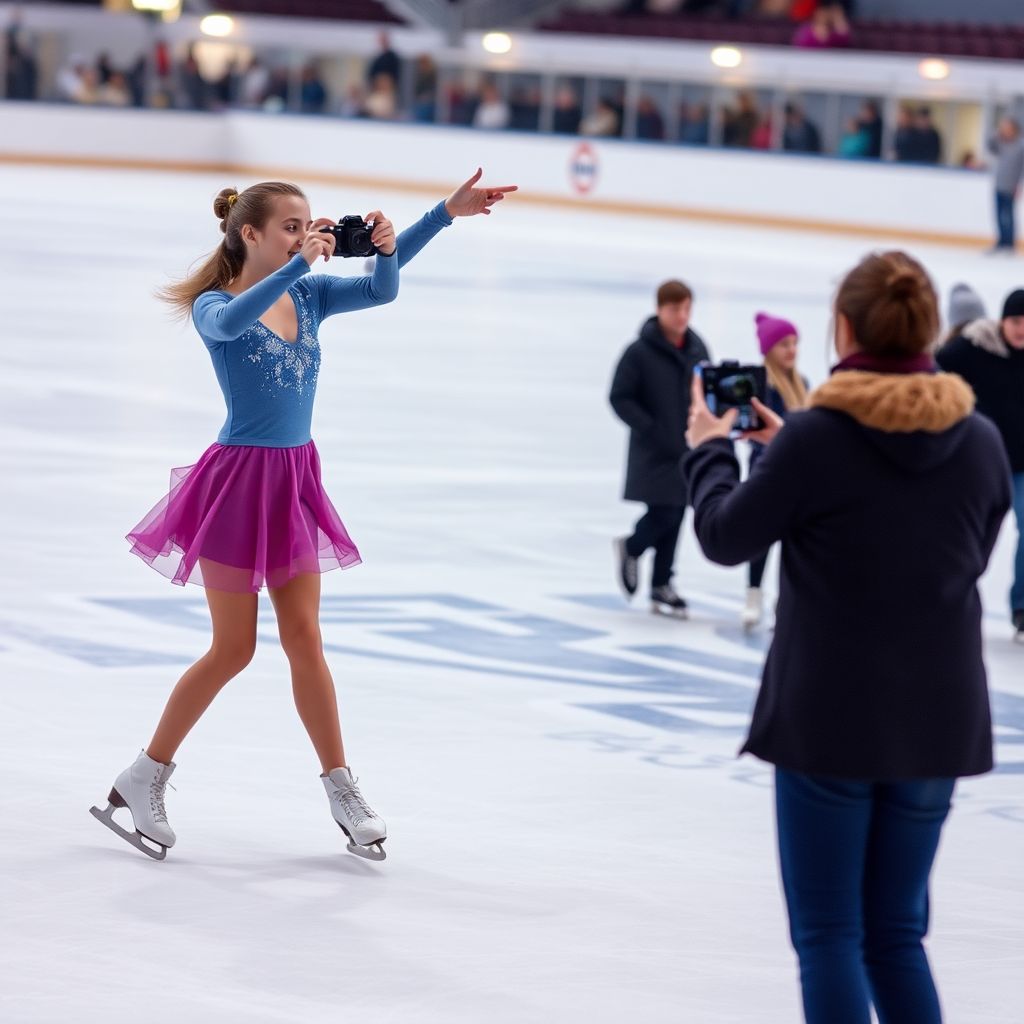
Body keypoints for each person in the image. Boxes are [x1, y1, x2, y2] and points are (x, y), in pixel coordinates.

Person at [90, 169, 518, 862]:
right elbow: (230, 322)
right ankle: (144, 776)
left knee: (306, 641)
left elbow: (383, 286)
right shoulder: (214, 304)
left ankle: (342, 788)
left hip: (292, 481)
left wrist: (430, 221)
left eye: (309, 224)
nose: (308, 234)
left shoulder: (310, 295)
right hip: (235, 485)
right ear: (250, 234)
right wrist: (296, 266)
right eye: (292, 226)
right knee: (233, 649)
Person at [683, 250, 1011, 1022]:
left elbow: (726, 537)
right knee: (897, 935)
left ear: (844, 328)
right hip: (938, 720)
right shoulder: (981, 441)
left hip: (833, 717)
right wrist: (791, 451)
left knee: (830, 935)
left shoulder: (819, 440)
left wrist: (709, 453)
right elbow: (950, 542)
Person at [610, 279, 711, 618]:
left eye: (686, 308)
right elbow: (619, 397)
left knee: (677, 513)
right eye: (674, 308)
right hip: (654, 450)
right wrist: (650, 427)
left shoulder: (698, 349)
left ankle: (662, 585)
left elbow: (706, 392)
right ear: (659, 309)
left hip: (686, 447)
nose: (681, 315)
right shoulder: (638, 352)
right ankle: (632, 546)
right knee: (665, 512)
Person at [937, 288, 1024, 641]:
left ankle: (1022, 608)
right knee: (966, 533)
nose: (1021, 330)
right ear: (1002, 321)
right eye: (1016, 321)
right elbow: (932, 372)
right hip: (979, 463)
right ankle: (948, 598)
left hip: (1021, 466)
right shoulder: (973, 349)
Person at [742, 313, 809, 630]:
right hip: (765, 469)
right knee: (761, 538)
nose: (792, 350)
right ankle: (753, 595)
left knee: (794, 540)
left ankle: (786, 599)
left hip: (798, 473)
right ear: (769, 349)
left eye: (795, 343)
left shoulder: (803, 385)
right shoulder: (762, 387)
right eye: (784, 344)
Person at [986, 117, 1024, 254]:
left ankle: (1009, 243)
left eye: (1007, 128)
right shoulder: (1001, 142)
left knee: (1008, 216)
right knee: (998, 215)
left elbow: (1022, 168)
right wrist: (997, 133)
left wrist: (1018, 185)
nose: (1005, 131)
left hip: (1011, 186)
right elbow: (989, 146)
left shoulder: (1020, 146)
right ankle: (1001, 241)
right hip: (999, 184)